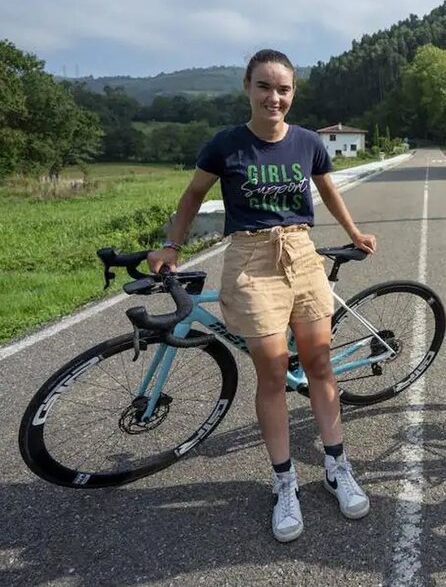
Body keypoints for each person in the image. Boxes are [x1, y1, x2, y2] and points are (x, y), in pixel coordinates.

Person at [148, 49, 376, 543]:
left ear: (293, 93)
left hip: (302, 252)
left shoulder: (308, 142)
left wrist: (354, 232)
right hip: (250, 261)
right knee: (272, 373)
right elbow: (191, 197)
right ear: (248, 89)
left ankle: (337, 466)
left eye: (284, 89)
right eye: (265, 87)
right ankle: (284, 481)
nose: (275, 97)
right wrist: (171, 245)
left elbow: (327, 189)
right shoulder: (226, 145)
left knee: (318, 364)